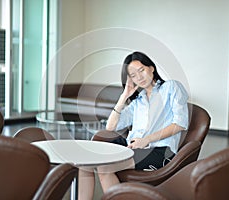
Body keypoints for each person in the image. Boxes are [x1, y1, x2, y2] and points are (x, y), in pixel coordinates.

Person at [78, 51, 189, 200]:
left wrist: (147, 140)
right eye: (133, 75)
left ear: (151, 68)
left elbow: (180, 124)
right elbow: (111, 127)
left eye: (141, 70)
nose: (139, 77)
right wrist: (124, 96)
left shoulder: (171, 87)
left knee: (105, 167)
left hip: (159, 149)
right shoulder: (138, 101)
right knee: (85, 161)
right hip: (132, 145)